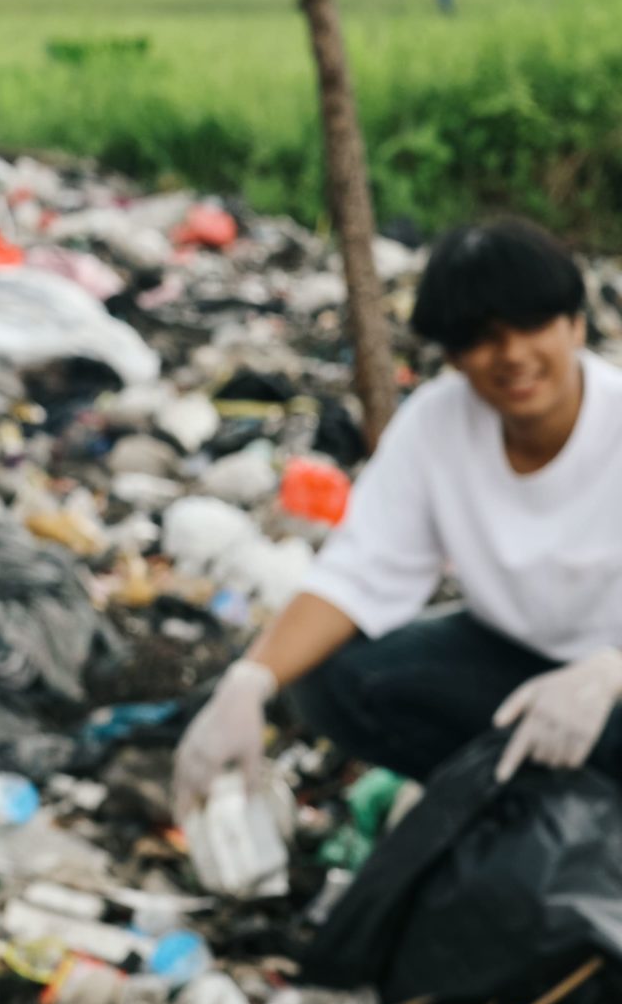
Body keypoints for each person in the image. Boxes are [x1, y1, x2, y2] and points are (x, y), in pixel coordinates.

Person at [175, 218, 622, 815]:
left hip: (608, 678)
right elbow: (361, 570)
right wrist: (248, 681)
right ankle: (514, 815)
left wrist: (612, 672)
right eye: (483, 337)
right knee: (335, 677)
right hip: (511, 662)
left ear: (574, 324)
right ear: (455, 356)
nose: (512, 355)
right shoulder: (438, 425)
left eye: (532, 325)